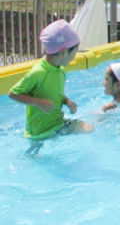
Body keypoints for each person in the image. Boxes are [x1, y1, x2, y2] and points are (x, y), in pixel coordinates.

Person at [8, 20, 94, 154]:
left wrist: (66, 101)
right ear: (64, 52)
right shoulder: (39, 72)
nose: (73, 58)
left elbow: (53, 92)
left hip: (57, 123)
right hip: (40, 130)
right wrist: (39, 102)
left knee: (88, 129)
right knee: (33, 155)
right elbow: (13, 93)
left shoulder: (58, 69)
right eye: (73, 53)